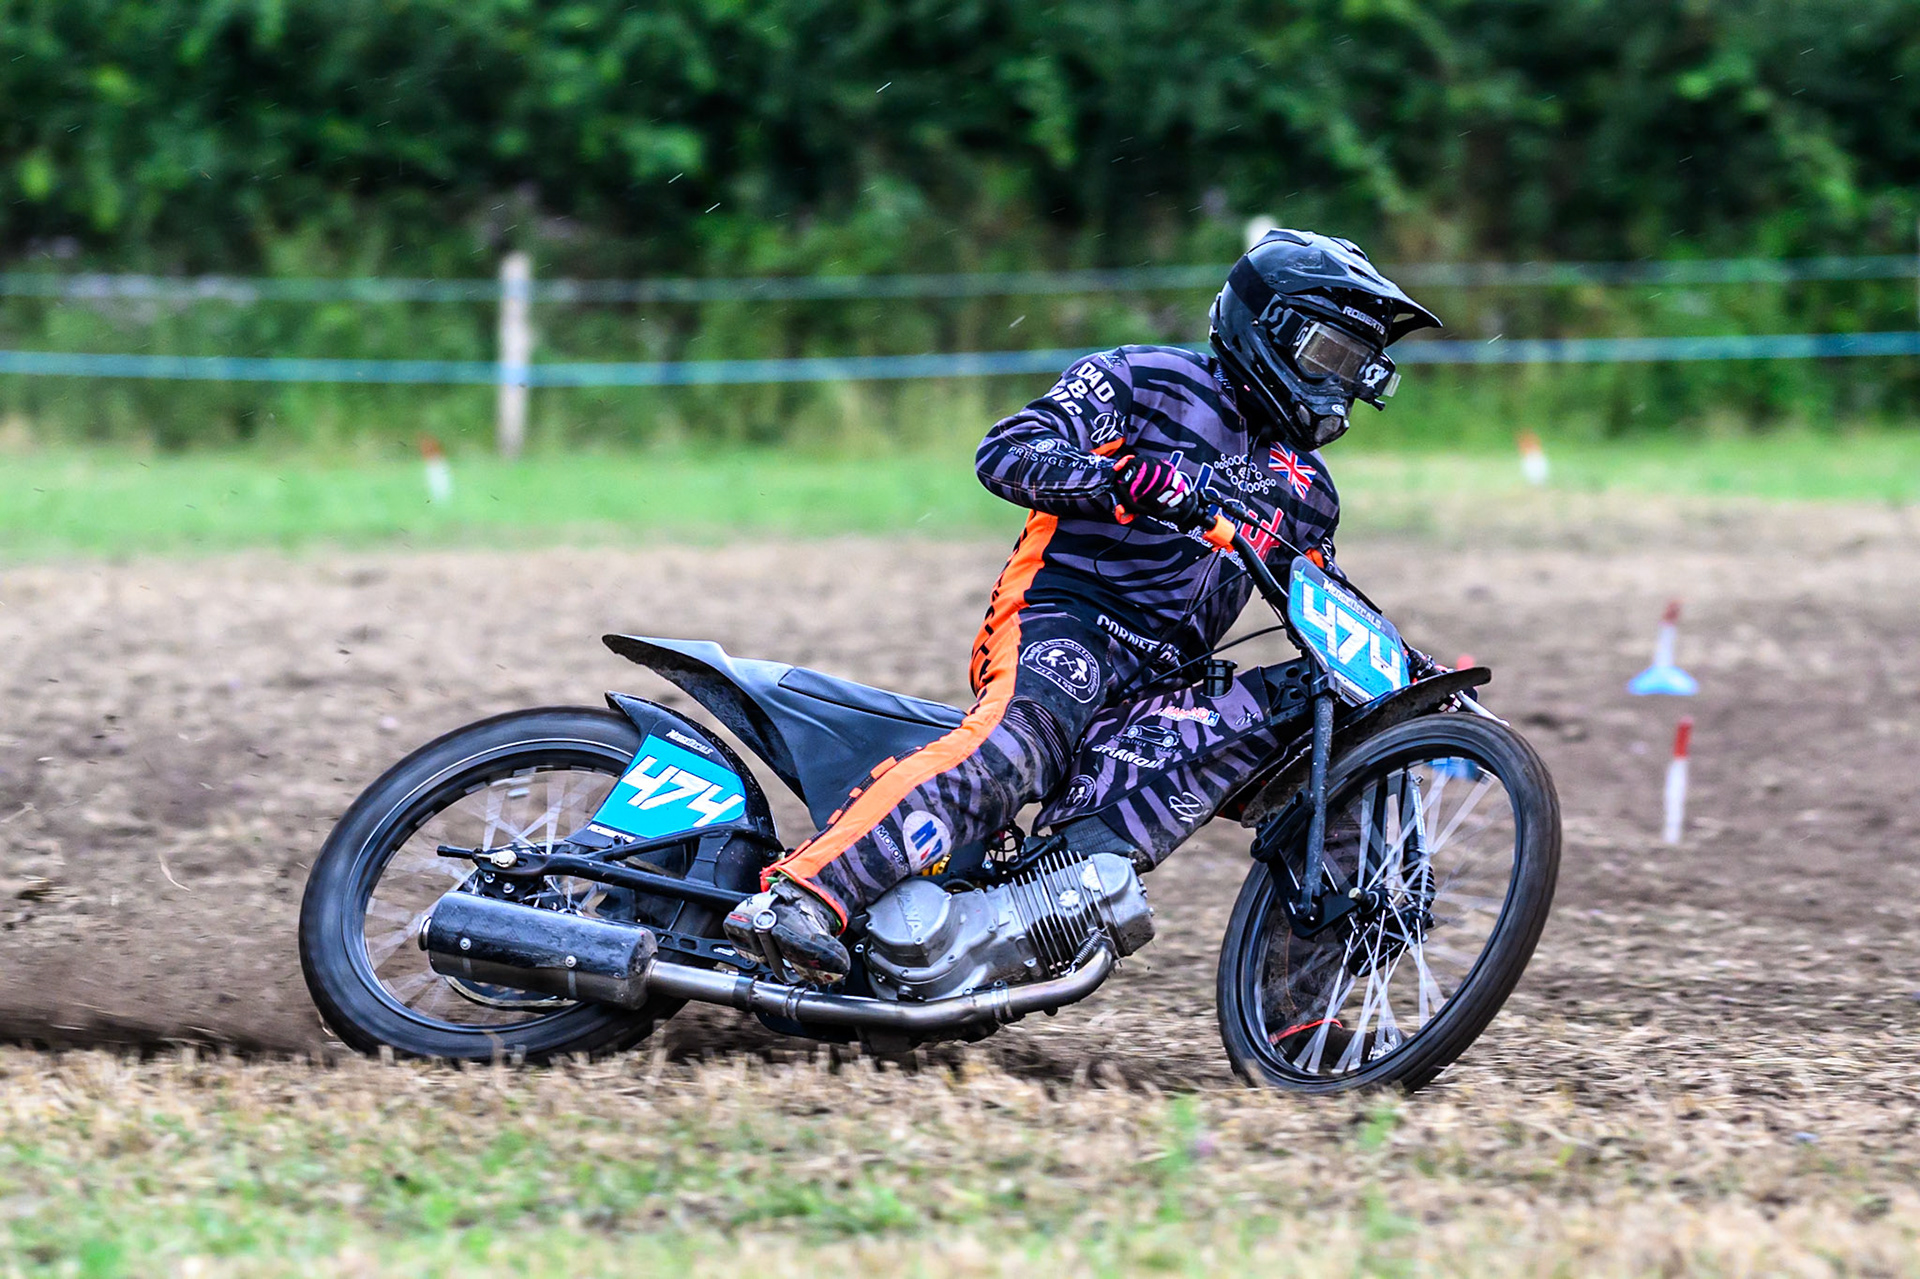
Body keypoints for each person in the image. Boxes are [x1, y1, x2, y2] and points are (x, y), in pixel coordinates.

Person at [726, 229, 1442, 984]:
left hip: (1167, 679)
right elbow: (1005, 450)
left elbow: (1319, 599)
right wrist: (1126, 481)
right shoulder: (1142, 379)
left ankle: (1303, 1021)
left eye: (1356, 367)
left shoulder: (1310, 489)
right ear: (1270, 328)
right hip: (1061, 620)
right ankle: (801, 895)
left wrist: (1402, 666)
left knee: (1334, 740)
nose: (1341, 385)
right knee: (1022, 742)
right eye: (1330, 355)